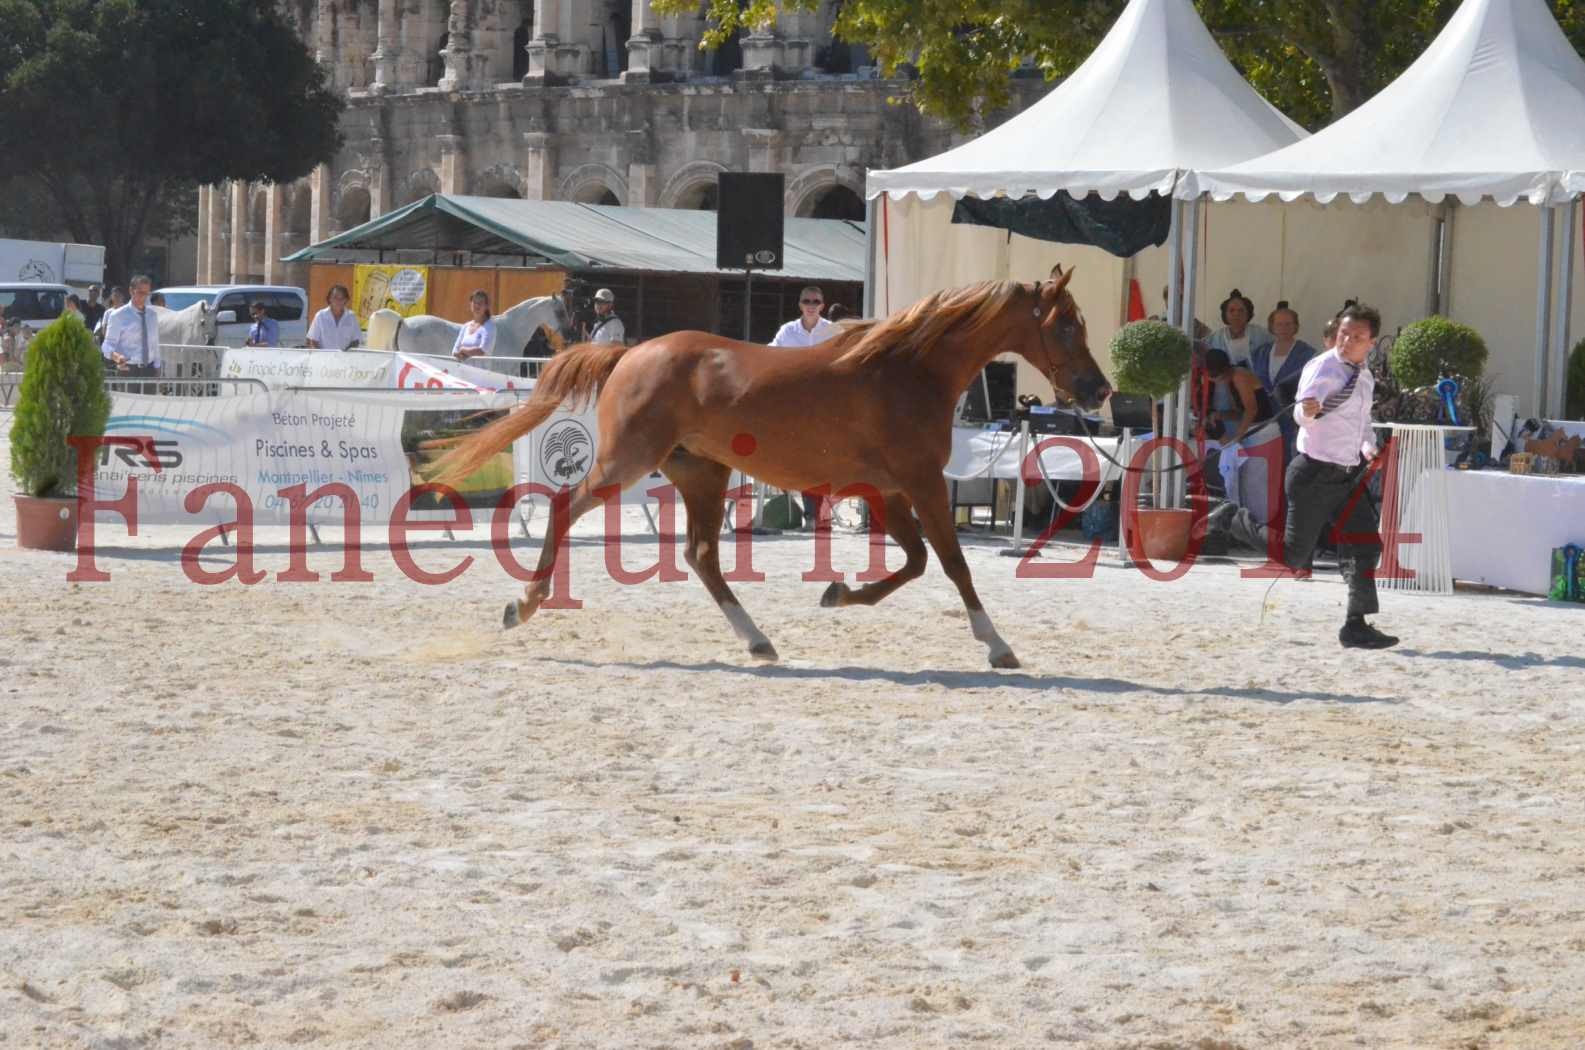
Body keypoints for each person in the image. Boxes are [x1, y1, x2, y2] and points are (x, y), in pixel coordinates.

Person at [1207, 302, 1398, 650]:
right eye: (1343, 333)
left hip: (1347, 474)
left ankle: (1356, 624)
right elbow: (1301, 412)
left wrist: (1371, 450)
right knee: (1294, 555)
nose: (1347, 341)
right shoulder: (1321, 367)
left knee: (1366, 545)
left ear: (1370, 343)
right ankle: (1232, 518)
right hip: (1313, 473)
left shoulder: (1365, 377)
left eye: (1357, 337)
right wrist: (1307, 412)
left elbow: (1363, 425)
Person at [99, 274, 162, 379]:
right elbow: (106, 346)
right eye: (141, 293)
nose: (144, 297)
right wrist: (117, 357)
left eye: (147, 293)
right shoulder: (118, 315)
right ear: (131, 291)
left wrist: (158, 366)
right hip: (127, 370)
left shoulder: (152, 315)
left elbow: (155, 343)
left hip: (149, 370)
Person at [1205, 288, 1272, 368]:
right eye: (1231, 310)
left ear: (1248, 313)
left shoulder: (1261, 334)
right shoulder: (1216, 337)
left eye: (1241, 310)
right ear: (1225, 315)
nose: (1236, 314)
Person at [769, 285, 838, 348]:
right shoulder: (787, 331)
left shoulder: (833, 330)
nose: (811, 305)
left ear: (822, 306)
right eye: (806, 301)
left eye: (816, 302)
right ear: (800, 306)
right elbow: (770, 353)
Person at [306, 284, 361, 350]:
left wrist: (346, 353)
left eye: (342, 298)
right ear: (330, 299)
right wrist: (320, 355)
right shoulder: (320, 316)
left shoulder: (352, 317)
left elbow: (356, 341)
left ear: (346, 300)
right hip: (324, 358)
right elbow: (312, 340)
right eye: (335, 297)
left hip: (345, 359)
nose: (338, 301)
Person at [451, 289, 497, 361]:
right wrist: (459, 354)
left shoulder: (489, 327)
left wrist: (464, 350)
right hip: (461, 370)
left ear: (486, 306)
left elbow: (483, 351)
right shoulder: (466, 326)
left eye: (480, 302)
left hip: (480, 371)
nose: (477, 305)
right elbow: (455, 350)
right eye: (474, 302)